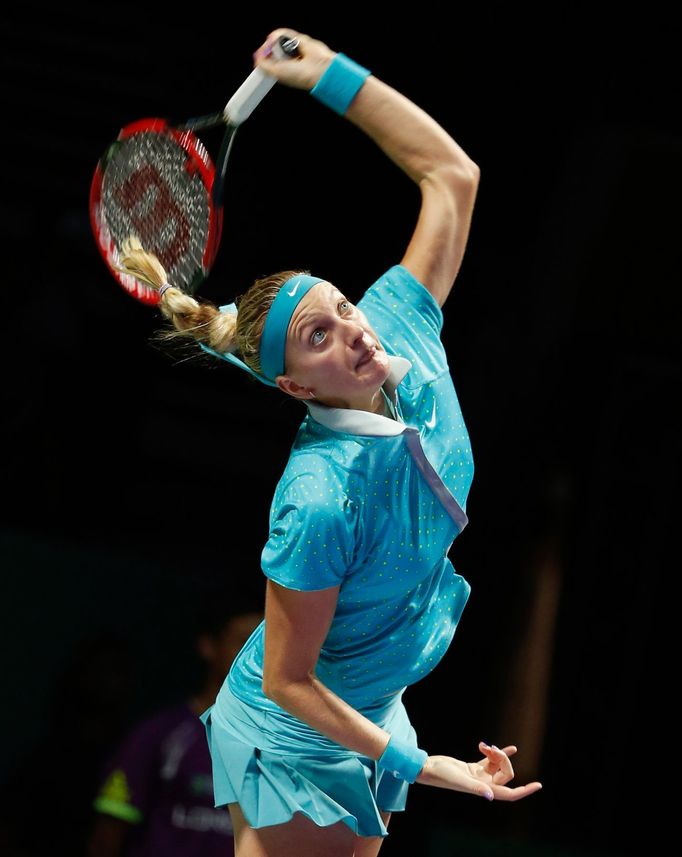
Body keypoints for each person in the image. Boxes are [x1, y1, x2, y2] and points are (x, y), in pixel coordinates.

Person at [116, 27, 543, 857]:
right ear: (296, 389)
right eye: (319, 336)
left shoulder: (399, 329)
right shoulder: (318, 498)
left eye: (342, 306)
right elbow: (287, 677)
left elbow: (452, 176)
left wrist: (329, 77)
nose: (351, 329)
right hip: (295, 727)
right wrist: (431, 767)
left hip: (369, 695)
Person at [87, 596, 262, 857]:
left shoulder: (283, 748)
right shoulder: (159, 736)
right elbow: (106, 840)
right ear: (208, 646)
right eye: (245, 642)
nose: (260, 655)